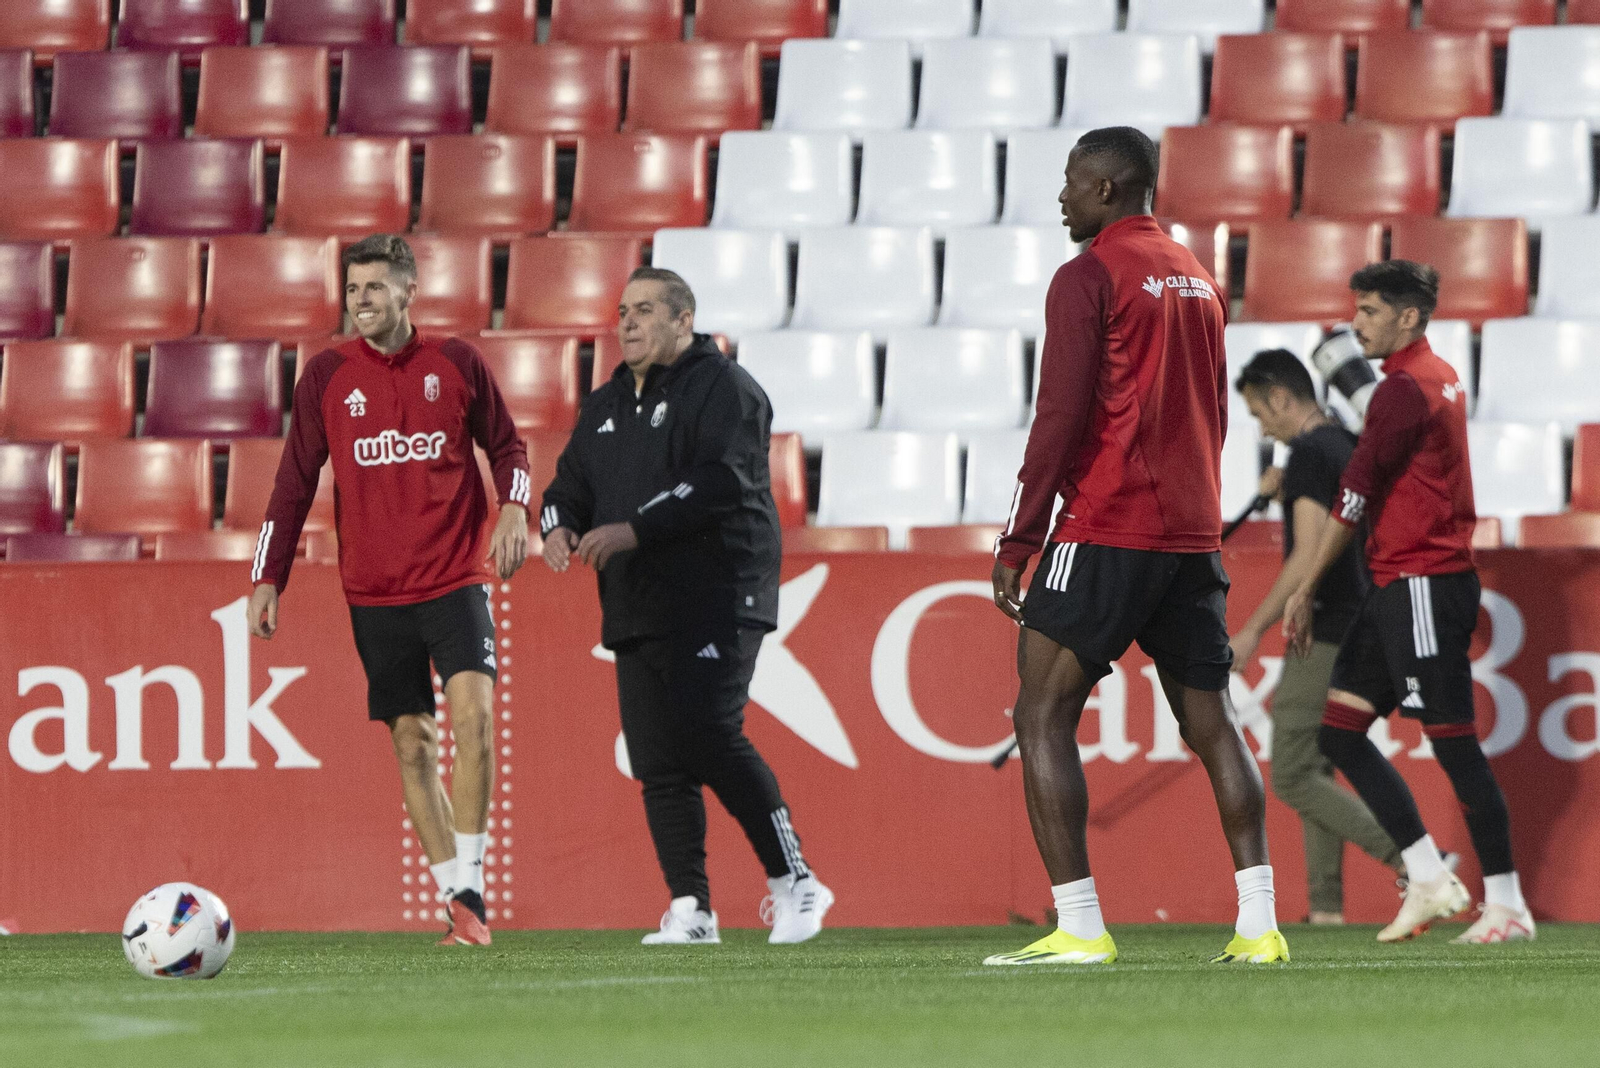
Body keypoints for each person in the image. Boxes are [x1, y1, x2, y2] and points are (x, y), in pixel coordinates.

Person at [984, 126, 1288, 967]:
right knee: (1212, 722)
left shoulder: (1088, 275)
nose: (1062, 197)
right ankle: (1258, 926)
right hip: (1192, 534)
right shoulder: (1197, 278)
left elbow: (1060, 416)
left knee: (1039, 714)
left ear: (1110, 190)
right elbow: (1213, 415)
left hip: (1108, 522)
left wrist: (1021, 536)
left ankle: (1080, 927)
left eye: (1073, 183)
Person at [247, 234, 532, 947]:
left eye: (375, 288)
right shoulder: (325, 376)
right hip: (374, 592)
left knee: (474, 724)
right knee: (413, 742)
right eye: (352, 290)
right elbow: (291, 484)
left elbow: (510, 448)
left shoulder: (456, 362)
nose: (360, 301)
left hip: (455, 577)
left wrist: (516, 508)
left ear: (409, 291)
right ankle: (457, 900)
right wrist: (265, 576)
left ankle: (472, 886)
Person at [540, 267, 830, 946]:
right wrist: (556, 523)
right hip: (639, 598)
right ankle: (691, 908)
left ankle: (797, 881)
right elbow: (568, 483)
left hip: (719, 589)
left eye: (644, 310)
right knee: (658, 759)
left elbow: (721, 481)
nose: (628, 323)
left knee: (707, 731)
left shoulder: (725, 388)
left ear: (683, 319)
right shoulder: (607, 403)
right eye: (621, 311)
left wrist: (632, 527)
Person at [1286, 261, 1533, 945]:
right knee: (1338, 732)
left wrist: (1305, 586)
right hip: (1399, 582)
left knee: (1454, 746)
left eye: (1368, 311)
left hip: (1424, 581)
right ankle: (1427, 879)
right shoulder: (1436, 376)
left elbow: (1355, 492)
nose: (1356, 322)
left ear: (1407, 318)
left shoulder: (1403, 389)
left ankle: (1507, 904)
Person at [1232, 349, 1402, 924]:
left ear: (1280, 397)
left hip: (1326, 625)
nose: (1263, 426)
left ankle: (1414, 859)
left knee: (1293, 771)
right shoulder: (1345, 444)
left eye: (1260, 413)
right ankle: (1326, 908)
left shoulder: (1307, 452)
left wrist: (1252, 631)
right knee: (1320, 762)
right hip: (1367, 619)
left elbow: (1308, 555)